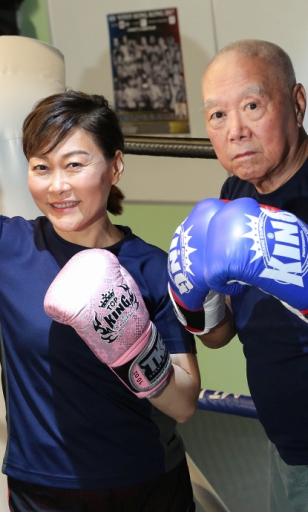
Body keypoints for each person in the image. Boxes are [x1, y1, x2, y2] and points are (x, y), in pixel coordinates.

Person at [0, 90, 200, 511]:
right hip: (45, 489)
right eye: (41, 167)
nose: (57, 185)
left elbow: (183, 404)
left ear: (115, 166)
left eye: (74, 164)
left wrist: (135, 346)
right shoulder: (3, 246)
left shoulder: (151, 267)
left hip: (147, 481)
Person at [167, 39, 308, 512]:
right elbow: (221, 335)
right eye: (217, 116)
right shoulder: (235, 193)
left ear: (297, 103)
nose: (236, 131)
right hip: (287, 445)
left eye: (252, 105)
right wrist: (195, 305)